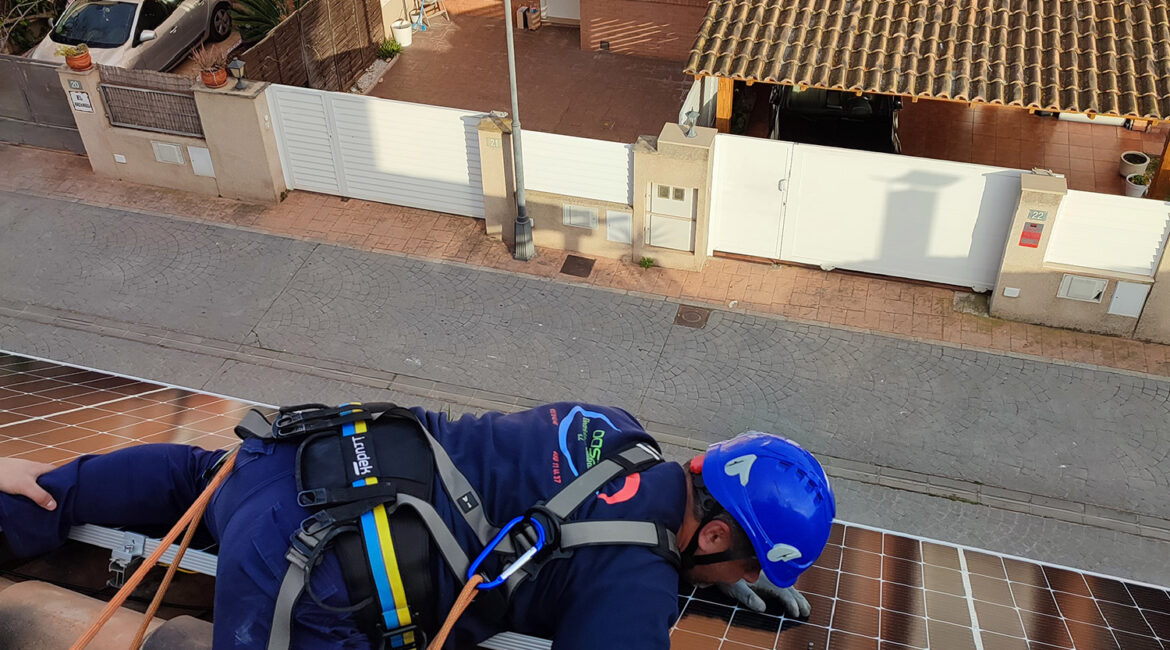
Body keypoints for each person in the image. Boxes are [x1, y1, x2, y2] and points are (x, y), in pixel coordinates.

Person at [0, 402, 835, 649]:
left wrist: (718, 589)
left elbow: (589, 514)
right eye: (746, 564)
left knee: (194, 479)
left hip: (291, 460)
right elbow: (623, 582)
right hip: (302, 576)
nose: (742, 581)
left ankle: (28, 500)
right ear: (716, 536)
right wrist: (666, 600)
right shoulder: (635, 593)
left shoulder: (613, 428)